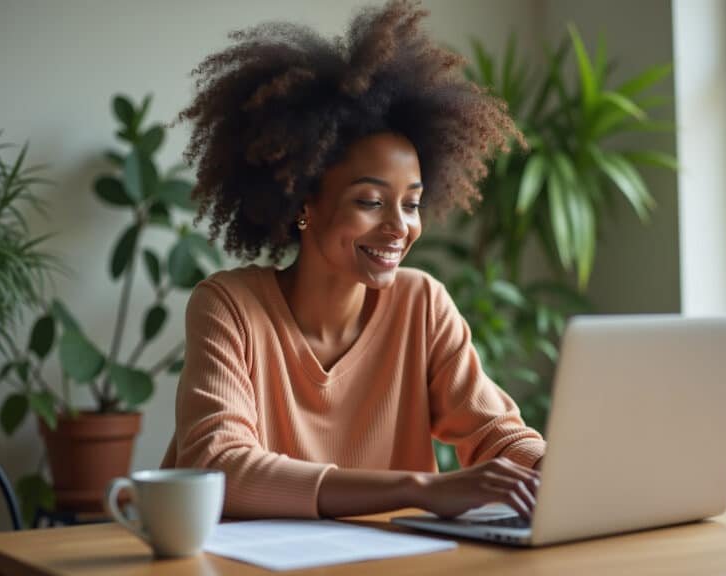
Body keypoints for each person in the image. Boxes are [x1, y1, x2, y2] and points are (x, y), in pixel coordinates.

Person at [161, 0, 546, 521]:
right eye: (370, 201)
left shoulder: (421, 304)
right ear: (304, 203)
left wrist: (556, 468)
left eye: (411, 203)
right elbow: (220, 468)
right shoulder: (230, 307)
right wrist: (417, 489)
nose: (399, 226)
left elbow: (495, 433)